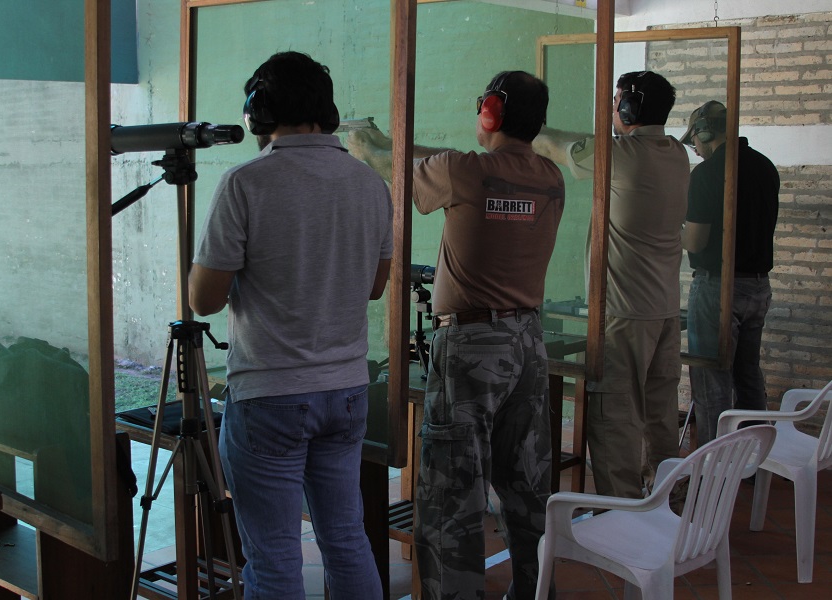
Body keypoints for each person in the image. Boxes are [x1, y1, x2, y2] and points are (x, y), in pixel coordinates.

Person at [349, 70, 565, 600]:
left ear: (490, 112)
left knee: (452, 490)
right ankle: (537, 590)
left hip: (471, 346)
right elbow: (457, 164)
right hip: (527, 342)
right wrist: (396, 143)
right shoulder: (547, 176)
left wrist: (366, 145)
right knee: (525, 480)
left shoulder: (461, 171)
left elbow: (391, 165)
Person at [188, 51, 392, 600]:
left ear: (258, 111)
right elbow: (375, 284)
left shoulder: (245, 183)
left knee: (275, 555)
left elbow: (204, 300)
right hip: (346, 391)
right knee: (346, 538)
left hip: (270, 395)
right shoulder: (371, 184)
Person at [532, 71, 690, 499]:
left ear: (630, 108)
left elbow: (555, 147)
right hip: (663, 310)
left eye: (617, 100)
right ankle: (666, 504)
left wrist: (524, 124)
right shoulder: (675, 153)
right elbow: (585, 142)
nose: (613, 108)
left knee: (615, 418)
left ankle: (620, 514)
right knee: (659, 416)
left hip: (624, 314)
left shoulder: (621, 156)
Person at [680, 100, 780, 445]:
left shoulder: (707, 174)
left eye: (694, 139)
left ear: (705, 132)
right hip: (758, 287)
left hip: (718, 288)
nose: (694, 147)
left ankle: (714, 465)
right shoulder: (765, 166)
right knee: (748, 377)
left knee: (712, 384)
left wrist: (670, 227)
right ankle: (752, 460)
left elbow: (695, 241)